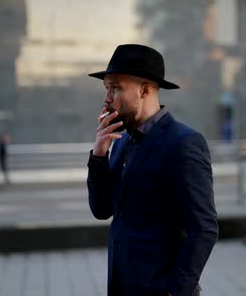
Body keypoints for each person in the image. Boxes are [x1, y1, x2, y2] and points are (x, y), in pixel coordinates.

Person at [86, 44, 218, 296]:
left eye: (115, 88)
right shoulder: (122, 142)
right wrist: (99, 154)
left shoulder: (184, 142)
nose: (107, 98)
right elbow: (101, 210)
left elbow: (203, 228)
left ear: (145, 89)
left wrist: (176, 291)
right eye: (106, 88)